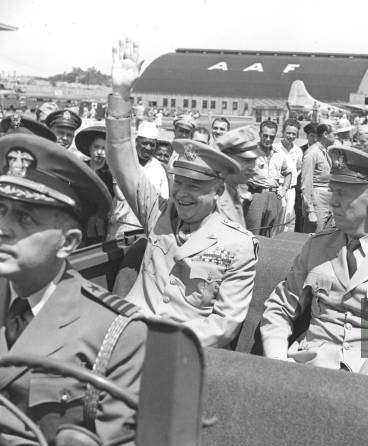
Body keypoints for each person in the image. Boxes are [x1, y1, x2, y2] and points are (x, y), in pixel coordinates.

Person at [0, 133, 147, 446]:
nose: (4, 227)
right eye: (0, 210)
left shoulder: (119, 333)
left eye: (26, 218)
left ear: (69, 244)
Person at [106, 38, 258, 347]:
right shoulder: (159, 213)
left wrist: (163, 344)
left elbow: (223, 325)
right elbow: (123, 160)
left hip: (178, 352)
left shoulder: (239, 245)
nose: (183, 194)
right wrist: (122, 93)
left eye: (196, 186)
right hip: (125, 339)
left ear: (218, 191)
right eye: (180, 183)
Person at [260, 145, 368, 386]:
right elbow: (280, 308)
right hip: (311, 370)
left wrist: (358, 384)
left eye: (342, 194)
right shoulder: (316, 247)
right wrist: (277, 359)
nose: (333, 202)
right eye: (332, 192)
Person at [106, 121, 169, 239]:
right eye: (144, 143)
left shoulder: (159, 169)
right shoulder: (122, 162)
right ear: (136, 142)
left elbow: (164, 202)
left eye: (152, 144)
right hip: (121, 227)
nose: (148, 148)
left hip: (147, 231)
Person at [244, 120, 291, 237]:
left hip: (274, 197)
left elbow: (288, 173)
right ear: (260, 134)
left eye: (271, 136)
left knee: (271, 235)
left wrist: (284, 189)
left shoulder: (279, 154)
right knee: (252, 233)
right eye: (265, 136)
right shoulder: (250, 153)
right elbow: (237, 173)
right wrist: (244, 193)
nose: (268, 139)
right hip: (256, 196)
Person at [75, 125, 114, 244]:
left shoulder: (111, 174)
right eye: (96, 147)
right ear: (90, 148)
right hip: (79, 223)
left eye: (104, 148)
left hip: (101, 228)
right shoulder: (79, 168)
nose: (100, 152)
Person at [215, 125, 260, 227]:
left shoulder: (232, 191)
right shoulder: (215, 200)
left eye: (254, 160)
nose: (253, 167)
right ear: (226, 160)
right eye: (246, 160)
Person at [301, 122, 334, 232]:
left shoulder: (326, 151)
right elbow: (306, 182)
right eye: (334, 134)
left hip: (327, 199)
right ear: (325, 134)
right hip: (317, 200)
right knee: (314, 235)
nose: (336, 137)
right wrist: (310, 210)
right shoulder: (312, 153)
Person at [273, 118, 303, 232]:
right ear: (283, 132)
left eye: (294, 134)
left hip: (291, 190)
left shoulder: (298, 150)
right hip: (278, 187)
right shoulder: (275, 147)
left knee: (287, 217)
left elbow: (298, 168)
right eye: (288, 133)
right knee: (276, 216)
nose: (290, 136)